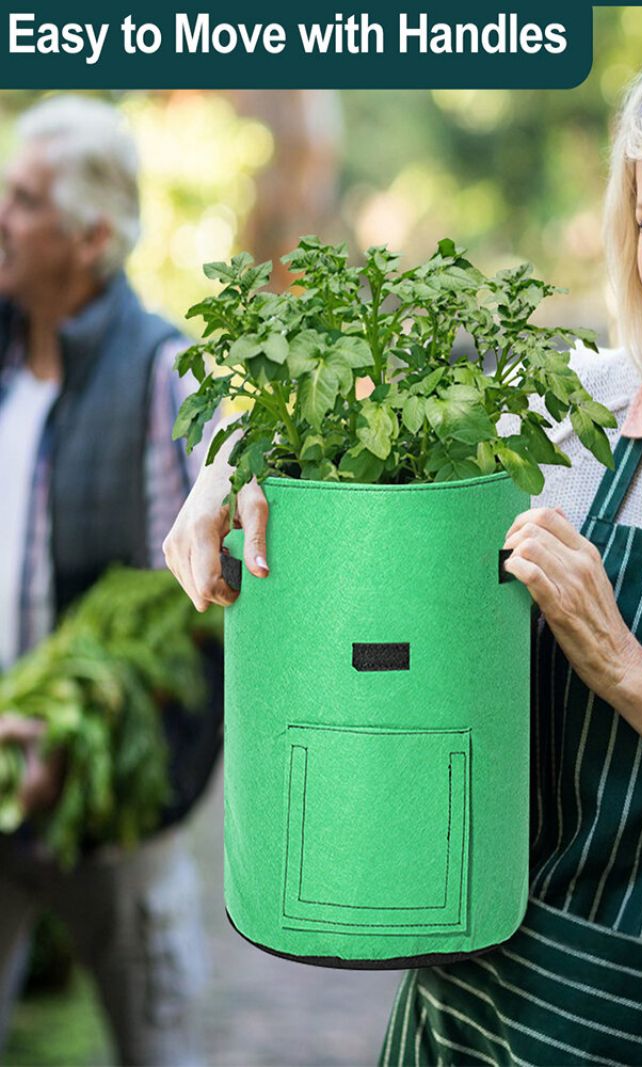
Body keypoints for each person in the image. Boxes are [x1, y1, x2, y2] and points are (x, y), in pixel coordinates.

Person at [164, 28, 642, 1064]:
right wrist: (225, 478)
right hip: (480, 1022)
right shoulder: (571, 420)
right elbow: (357, 433)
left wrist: (623, 667)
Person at [0, 95, 214, 1065]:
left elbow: (186, 612)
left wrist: (75, 739)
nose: (0, 214)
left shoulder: (159, 371)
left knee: (152, 1043)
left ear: (91, 237)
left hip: (111, 805)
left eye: (22, 198)